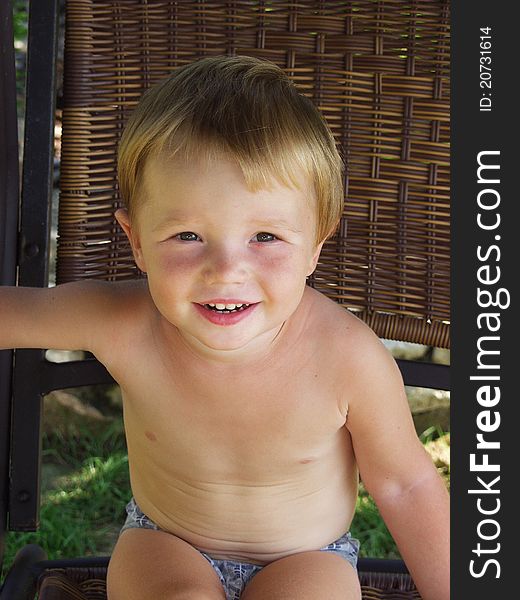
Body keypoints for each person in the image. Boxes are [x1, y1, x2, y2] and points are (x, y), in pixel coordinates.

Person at [0, 55, 449, 600]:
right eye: (187, 235)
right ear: (137, 240)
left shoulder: (347, 358)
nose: (227, 270)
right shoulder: (123, 322)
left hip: (308, 557)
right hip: (165, 544)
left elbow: (407, 484)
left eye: (265, 237)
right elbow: (15, 313)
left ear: (316, 243)